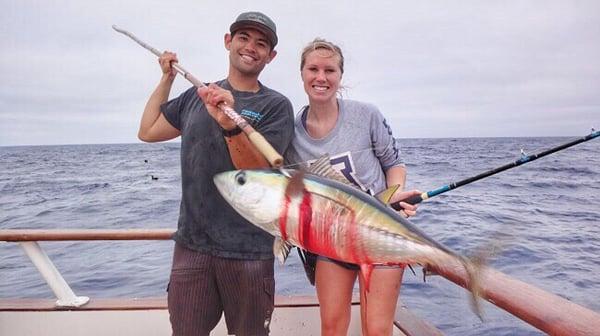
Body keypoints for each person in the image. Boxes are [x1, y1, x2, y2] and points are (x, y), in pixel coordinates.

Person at [137, 11, 294, 336]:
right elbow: (148, 131)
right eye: (243, 38)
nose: (251, 47)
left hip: (249, 251)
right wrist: (166, 78)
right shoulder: (198, 96)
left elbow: (260, 172)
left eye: (261, 43)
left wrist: (229, 126)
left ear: (271, 56)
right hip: (192, 246)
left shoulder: (275, 105)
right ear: (228, 41)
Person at [285, 38, 420, 336]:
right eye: (314, 69)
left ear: (340, 76)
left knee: (377, 329)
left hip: (381, 233)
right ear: (302, 74)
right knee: (332, 326)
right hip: (332, 241)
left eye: (330, 70)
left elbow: (394, 164)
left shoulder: (366, 115)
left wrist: (394, 192)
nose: (321, 77)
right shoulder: (290, 134)